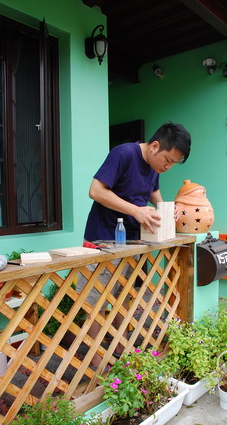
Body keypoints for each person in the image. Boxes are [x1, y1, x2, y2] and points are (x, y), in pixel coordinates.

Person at [77, 121, 191, 366]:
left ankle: (122, 349)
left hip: (132, 241)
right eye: (168, 160)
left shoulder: (155, 168)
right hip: (103, 239)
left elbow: (154, 196)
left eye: (174, 163)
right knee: (94, 302)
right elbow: (96, 190)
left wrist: (167, 211)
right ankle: (96, 361)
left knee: (123, 297)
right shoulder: (124, 153)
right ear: (155, 146)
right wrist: (137, 211)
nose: (169, 167)